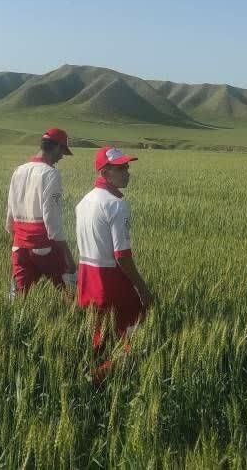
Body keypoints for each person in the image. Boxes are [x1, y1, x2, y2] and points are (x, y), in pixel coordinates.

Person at [76, 147, 154, 382]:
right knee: (135, 336)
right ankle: (97, 379)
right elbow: (121, 254)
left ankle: (88, 375)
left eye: (127, 167)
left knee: (100, 337)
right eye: (121, 168)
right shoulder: (116, 205)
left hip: (87, 280)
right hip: (111, 281)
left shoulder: (84, 201)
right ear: (105, 171)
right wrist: (142, 288)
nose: (127, 172)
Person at [5, 128, 77, 295]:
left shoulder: (19, 170)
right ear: (57, 147)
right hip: (45, 244)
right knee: (68, 292)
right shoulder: (51, 174)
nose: (62, 157)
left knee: (18, 297)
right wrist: (66, 254)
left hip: (19, 245)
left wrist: (14, 236)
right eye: (63, 151)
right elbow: (52, 217)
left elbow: (10, 209)